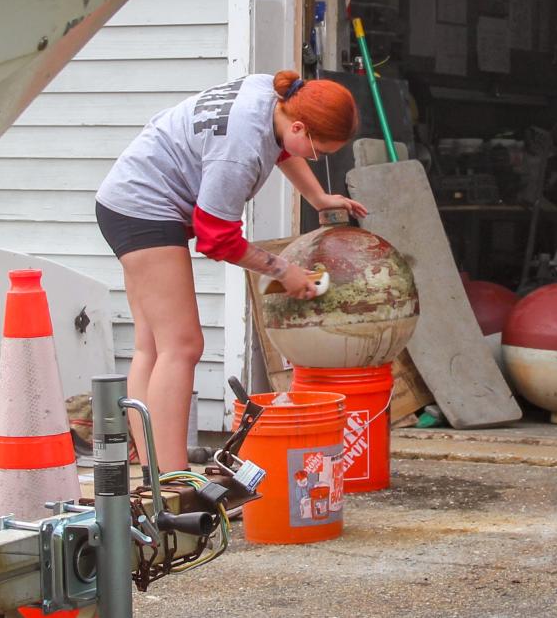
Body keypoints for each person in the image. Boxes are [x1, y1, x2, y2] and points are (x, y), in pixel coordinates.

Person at [94, 70, 366, 475]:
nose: (316, 158)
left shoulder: (271, 91)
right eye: (318, 151)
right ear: (297, 125)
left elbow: (284, 148)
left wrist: (319, 197)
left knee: (151, 346)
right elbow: (217, 239)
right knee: (182, 346)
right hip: (144, 208)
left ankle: (156, 477)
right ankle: (173, 485)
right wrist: (283, 270)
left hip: (124, 196)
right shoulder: (239, 153)